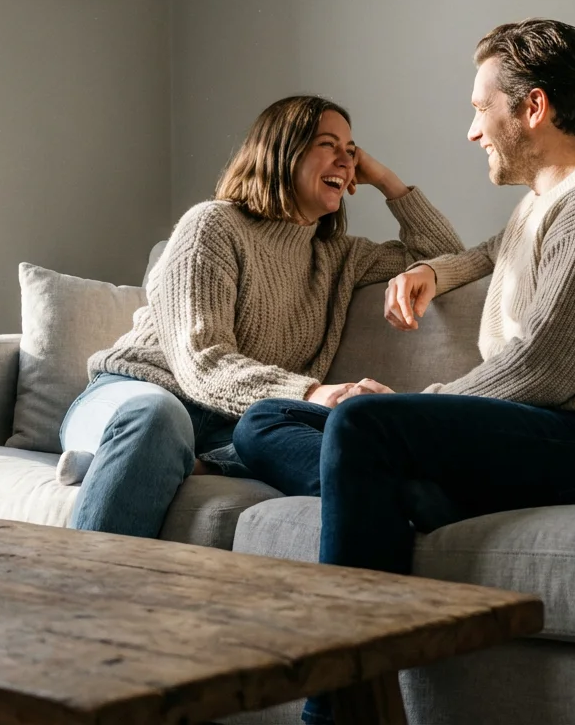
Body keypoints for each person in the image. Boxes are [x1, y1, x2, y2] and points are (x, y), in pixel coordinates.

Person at [231, 21, 575, 724]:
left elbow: (546, 366)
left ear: (533, 108)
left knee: (362, 422)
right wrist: (429, 270)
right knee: (263, 419)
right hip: (540, 432)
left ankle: (340, 713)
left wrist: (423, 406)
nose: (473, 131)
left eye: (483, 109)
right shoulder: (543, 204)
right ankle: (400, 492)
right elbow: (484, 254)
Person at [62, 95, 465, 537]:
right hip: (134, 395)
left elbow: (447, 258)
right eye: (327, 145)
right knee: (159, 418)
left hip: (225, 428)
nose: (346, 161)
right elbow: (203, 362)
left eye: (351, 151)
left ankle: (164, 461)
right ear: (282, 152)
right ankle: (90, 592)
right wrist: (311, 392)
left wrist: (386, 180)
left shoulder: (338, 257)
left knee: (303, 447)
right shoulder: (213, 225)